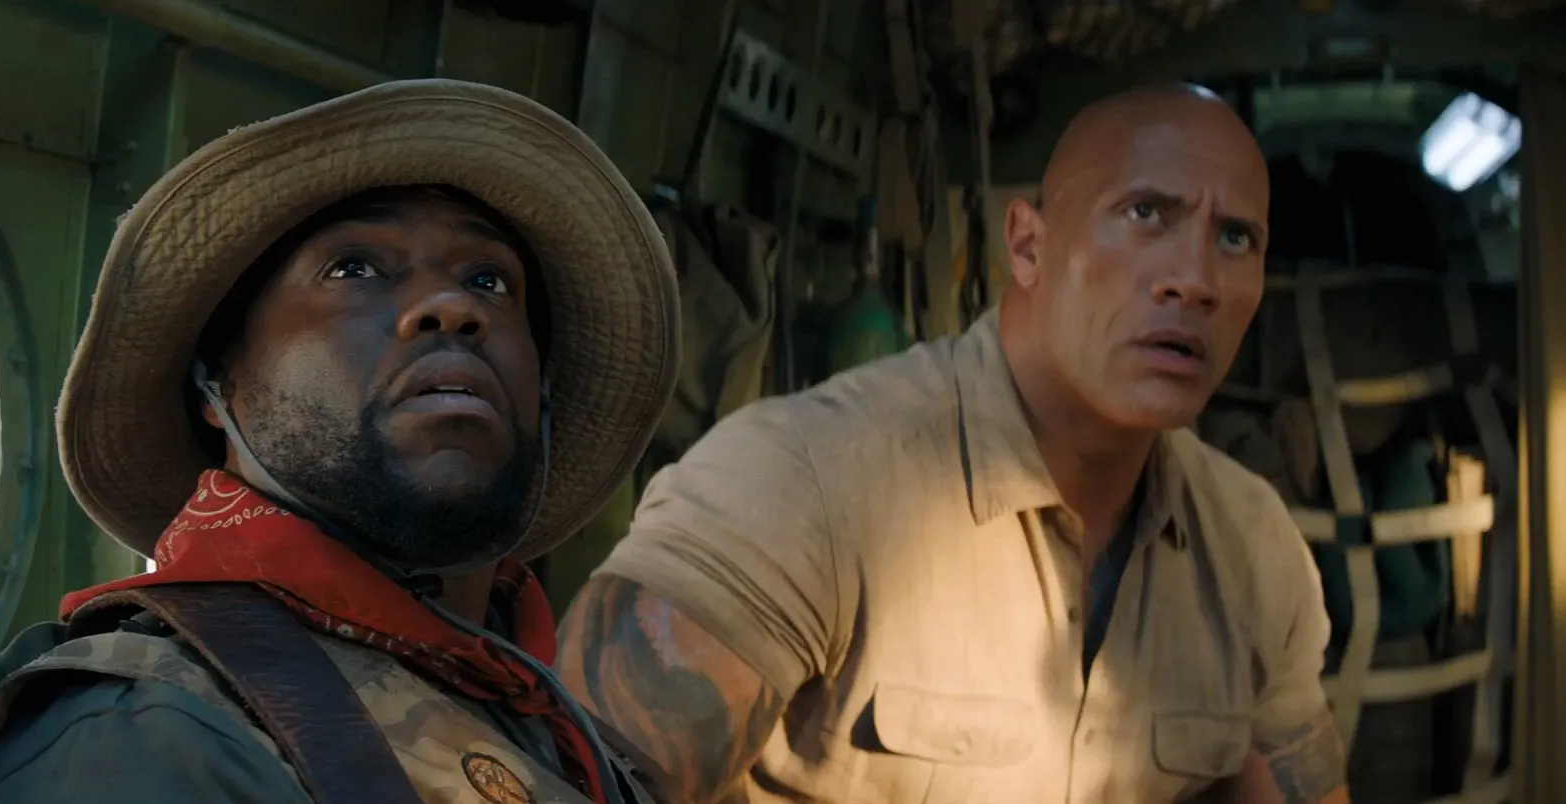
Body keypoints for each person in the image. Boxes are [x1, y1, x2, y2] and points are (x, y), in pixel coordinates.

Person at [557, 83, 1350, 804]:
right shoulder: (798, 480)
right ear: (1028, 245)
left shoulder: (1253, 545)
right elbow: (579, 784)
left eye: (1236, 238)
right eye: (1146, 213)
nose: (1196, 278)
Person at [0, 79, 680, 803]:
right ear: (218, 384)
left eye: (489, 280)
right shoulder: (150, 730)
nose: (452, 306)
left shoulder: (572, 742)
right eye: (354, 269)